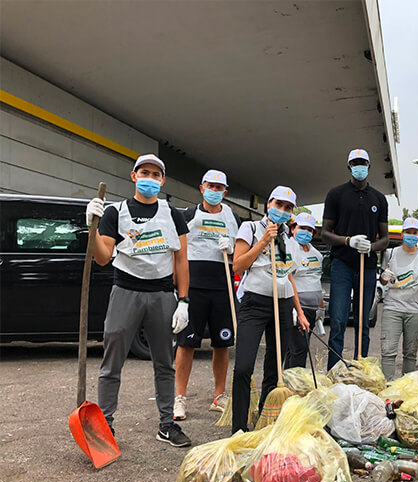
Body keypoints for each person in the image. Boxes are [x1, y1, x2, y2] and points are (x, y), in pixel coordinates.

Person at [84, 153, 191, 447]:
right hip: (125, 292)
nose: (150, 179)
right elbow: (104, 258)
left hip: (160, 294)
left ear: (163, 180)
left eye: (156, 175)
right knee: (112, 361)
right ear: (133, 176)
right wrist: (92, 227)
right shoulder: (115, 212)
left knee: (164, 362)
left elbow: (181, 259)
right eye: (144, 172)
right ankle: (106, 424)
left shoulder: (172, 214)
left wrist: (183, 301)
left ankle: (167, 424)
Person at [231, 186, 310, 433]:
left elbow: (289, 275)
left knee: (275, 366)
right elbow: (238, 265)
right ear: (268, 204)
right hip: (255, 302)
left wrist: (300, 311)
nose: (282, 211)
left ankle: (265, 419)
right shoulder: (251, 228)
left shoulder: (290, 238)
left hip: (283, 303)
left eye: (288, 208)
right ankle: (238, 427)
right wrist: (264, 240)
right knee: (244, 365)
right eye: (279, 205)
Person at [172, 170, 240, 421]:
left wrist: (232, 249)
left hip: (222, 286)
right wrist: (179, 291)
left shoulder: (232, 217)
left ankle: (219, 395)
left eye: (219, 187)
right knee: (186, 342)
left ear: (225, 191)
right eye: (210, 185)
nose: (215, 190)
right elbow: (176, 252)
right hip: (194, 286)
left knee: (222, 344)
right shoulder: (187, 215)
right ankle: (179, 398)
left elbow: (241, 251)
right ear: (202, 188)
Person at [321, 149, 389, 368]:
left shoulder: (379, 199)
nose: (359, 167)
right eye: (355, 163)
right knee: (339, 320)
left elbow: (385, 239)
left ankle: (361, 367)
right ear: (349, 166)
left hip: (368, 266)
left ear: (369, 166)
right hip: (342, 264)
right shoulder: (336, 194)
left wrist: (371, 247)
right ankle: (334, 369)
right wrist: (348, 240)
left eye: (363, 163)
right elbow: (325, 233)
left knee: (363, 322)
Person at [378, 217, 418, 380]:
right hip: (392, 308)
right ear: (402, 233)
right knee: (388, 351)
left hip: (415, 311)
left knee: (410, 353)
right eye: (408, 232)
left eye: (415, 233)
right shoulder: (390, 253)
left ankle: (406, 387)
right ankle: (387, 386)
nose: (411, 235)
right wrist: (384, 276)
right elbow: (383, 281)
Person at [285, 212, 324, 368]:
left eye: (310, 230)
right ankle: (296, 384)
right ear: (293, 228)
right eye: (302, 227)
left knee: (296, 349)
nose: (306, 232)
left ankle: (288, 382)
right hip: (296, 309)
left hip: (312, 308)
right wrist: (295, 308)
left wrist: (321, 307)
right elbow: (287, 279)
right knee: (299, 349)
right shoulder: (288, 249)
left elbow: (316, 279)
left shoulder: (317, 254)